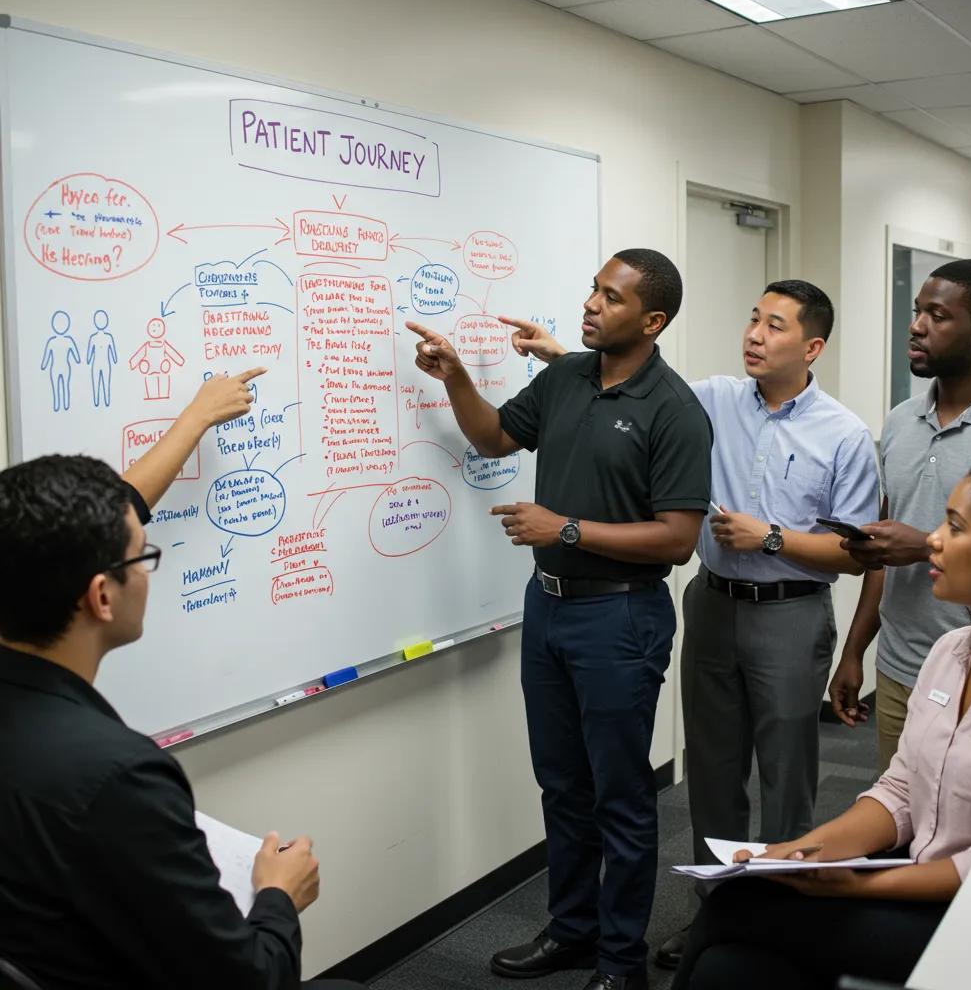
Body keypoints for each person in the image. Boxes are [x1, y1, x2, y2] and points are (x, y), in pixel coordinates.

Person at [504, 281, 878, 971]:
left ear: (812, 346)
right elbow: (634, 390)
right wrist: (561, 357)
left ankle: (781, 924)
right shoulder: (709, 399)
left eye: (775, 325)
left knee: (785, 781)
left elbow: (855, 553)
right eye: (752, 319)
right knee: (711, 778)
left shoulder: (844, 434)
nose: (755, 334)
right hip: (710, 604)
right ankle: (717, 918)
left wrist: (770, 538)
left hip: (791, 614)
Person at [408, 249, 713, 990]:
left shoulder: (673, 409)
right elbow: (492, 438)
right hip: (547, 609)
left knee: (621, 796)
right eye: (592, 289)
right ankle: (572, 932)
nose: (590, 304)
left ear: (652, 320)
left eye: (609, 297)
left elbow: (677, 539)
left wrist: (565, 529)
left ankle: (618, 961)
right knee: (562, 787)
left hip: (621, 618)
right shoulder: (567, 377)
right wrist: (456, 379)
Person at [0, 370, 362, 989]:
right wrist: (278, 897)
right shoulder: (117, 775)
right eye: (143, 556)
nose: (148, 569)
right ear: (101, 597)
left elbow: (103, 516)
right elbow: (250, 979)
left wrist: (195, 418)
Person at [673, 443, 971, 990]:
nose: (932, 538)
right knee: (729, 967)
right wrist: (796, 856)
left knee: (731, 911)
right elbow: (901, 791)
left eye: (955, 528)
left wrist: (853, 887)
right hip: (920, 885)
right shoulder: (951, 651)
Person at [829, 259, 971, 770]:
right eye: (918, 311)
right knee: (901, 822)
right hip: (897, 670)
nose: (916, 326)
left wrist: (924, 544)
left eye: (937, 315)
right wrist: (856, 652)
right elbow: (882, 552)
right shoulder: (899, 422)